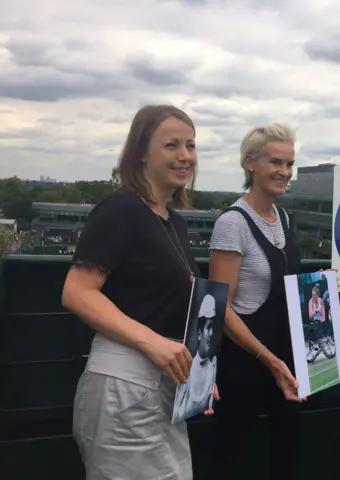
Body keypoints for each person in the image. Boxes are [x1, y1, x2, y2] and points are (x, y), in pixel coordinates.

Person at [61, 105, 217, 480]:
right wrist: (154, 344)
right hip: (125, 386)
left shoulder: (172, 221)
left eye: (191, 145)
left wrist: (199, 371)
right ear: (142, 153)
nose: (185, 156)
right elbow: (77, 292)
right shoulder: (120, 210)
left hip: (162, 386)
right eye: (171, 145)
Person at [208, 123, 304, 480]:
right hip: (244, 360)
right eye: (275, 162)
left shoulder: (284, 218)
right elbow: (220, 305)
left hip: (285, 354)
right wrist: (267, 358)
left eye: (289, 164)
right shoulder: (233, 224)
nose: (284, 172)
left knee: (288, 444)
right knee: (234, 451)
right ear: (250, 163)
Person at [173, 294, 218, 423]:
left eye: (213, 328)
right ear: (199, 333)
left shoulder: (212, 367)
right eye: (208, 327)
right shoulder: (187, 368)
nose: (211, 333)